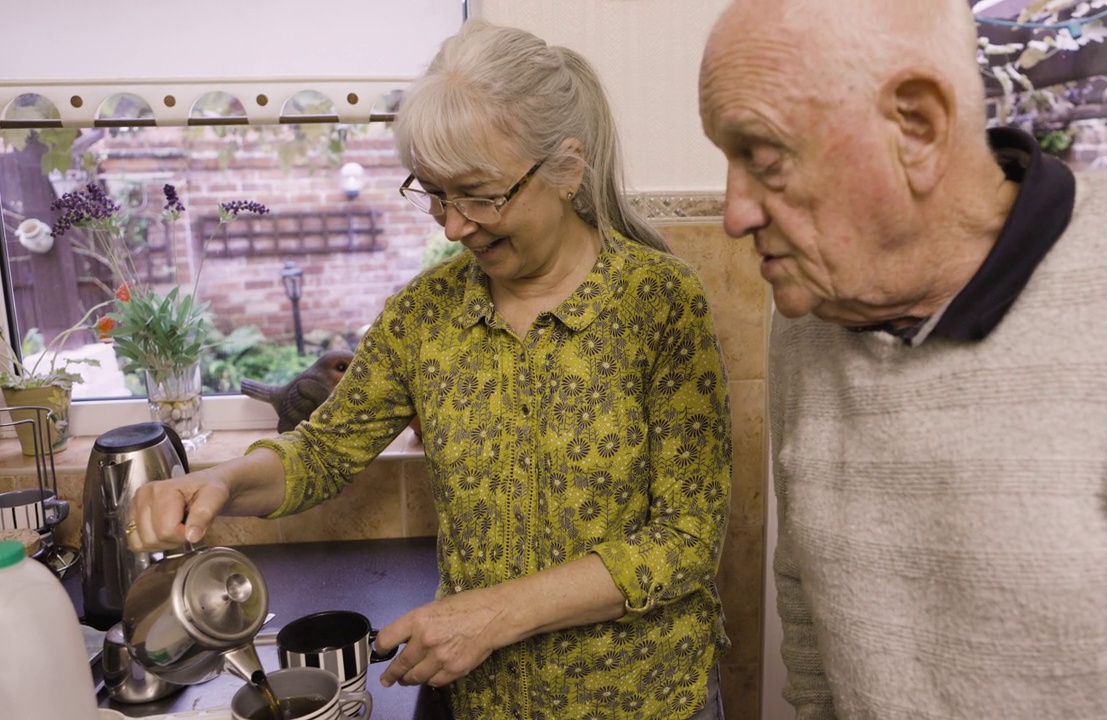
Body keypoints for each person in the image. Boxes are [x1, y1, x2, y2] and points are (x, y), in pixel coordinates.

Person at [128, 19, 733, 720]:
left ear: (569, 168)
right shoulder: (425, 315)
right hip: (487, 701)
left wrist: (494, 615)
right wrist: (219, 484)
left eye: (480, 194)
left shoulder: (659, 303)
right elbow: (322, 453)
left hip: (645, 697)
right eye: (436, 194)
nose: (453, 226)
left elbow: (685, 541)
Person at [699, 1, 1107, 718]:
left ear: (916, 126)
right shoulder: (814, 306)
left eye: (763, 161)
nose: (734, 214)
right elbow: (809, 611)